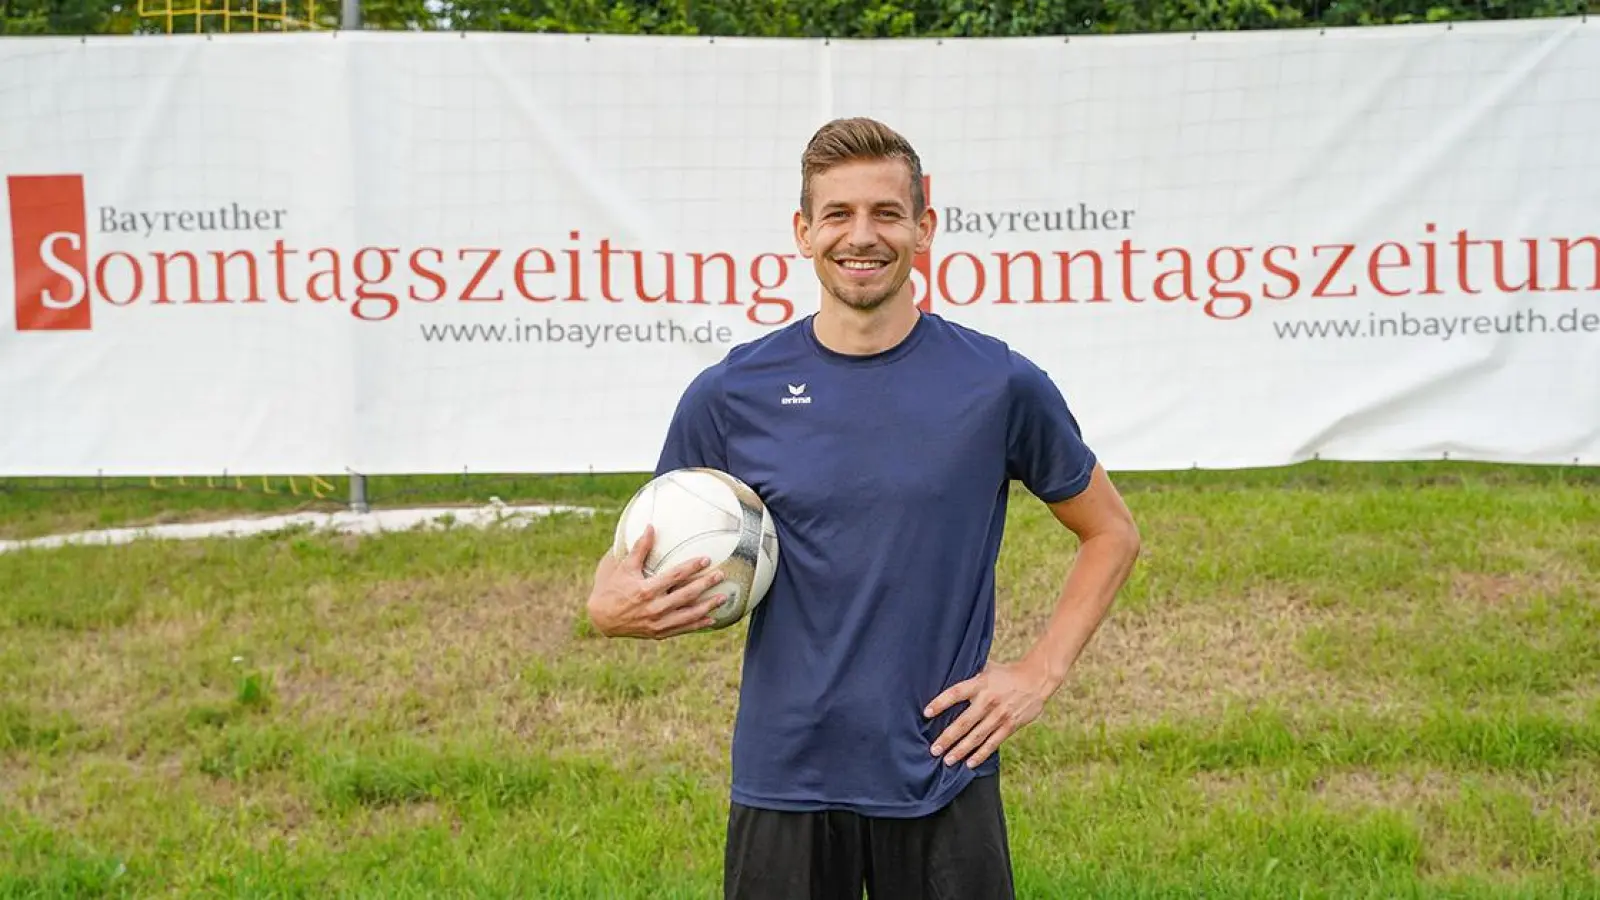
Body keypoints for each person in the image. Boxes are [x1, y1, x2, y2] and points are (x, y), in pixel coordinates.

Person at [584, 117, 1142, 899]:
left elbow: (1111, 533)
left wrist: (1038, 673)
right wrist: (608, 606)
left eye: (886, 213)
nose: (862, 236)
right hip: (786, 775)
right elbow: (642, 553)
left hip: (942, 765)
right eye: (838, 214)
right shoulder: (732, 394)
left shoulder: (998, 385)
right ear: (803, 233)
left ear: (924, 228)